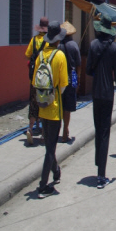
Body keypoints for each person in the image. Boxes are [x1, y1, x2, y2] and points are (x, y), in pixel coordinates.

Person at [33, 21, 68, 198]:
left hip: (42, 107)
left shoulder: (41, 56)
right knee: (50, 148)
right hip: (55, 108)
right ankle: (43, 185)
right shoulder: (60, 56)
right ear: (58, 39)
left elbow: (34, 82)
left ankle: (56, 172)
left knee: (49, 143)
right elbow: (63, 85)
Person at [86, 14, 116, 189]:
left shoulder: (93, 45)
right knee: (105, 133)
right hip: (108, 94)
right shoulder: (114, 48)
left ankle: (98, 165)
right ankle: (101, 175)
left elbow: (87, 70)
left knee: (98, 130)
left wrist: (97, 73)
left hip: (96, 94)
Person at [25, 16, 49, 145]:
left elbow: (27, 55)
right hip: (44, 80)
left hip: (34, 79)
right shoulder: (48, 42)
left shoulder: (34, 40)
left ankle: (31, 128)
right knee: (44, 105)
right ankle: (44, 132)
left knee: (33, 104)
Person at [58, 21, 81, 143]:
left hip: (59, 79)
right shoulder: (74, 45)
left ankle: (58, 130)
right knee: (68, 107)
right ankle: (65, 131)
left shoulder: (58, 46)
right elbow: (78, 66)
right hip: (71, 78)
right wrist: (77, 82)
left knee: (59, 106)